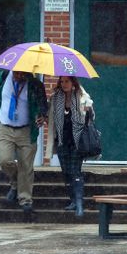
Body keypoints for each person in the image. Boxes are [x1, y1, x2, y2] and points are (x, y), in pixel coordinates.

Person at [0, 70, 48, 213]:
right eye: (17, 73)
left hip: (26, 130)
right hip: (5, 128)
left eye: (23, 74)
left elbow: (42, 104)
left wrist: (41, 115)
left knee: (26, 166)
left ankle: (25, 199)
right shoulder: (2, 77)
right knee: (5, 160)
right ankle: (15, 183)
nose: (19, 76)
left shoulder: (35, 84)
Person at [45, 76, 94, 217]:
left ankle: (79, 204)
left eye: (67, 81)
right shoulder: (55, 98)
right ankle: (73, 201)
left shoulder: (82, 96)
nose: (64, 84)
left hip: (77, 141)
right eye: (62, 81)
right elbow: (50, 117)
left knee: (75, 171)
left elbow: (91, 117)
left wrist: (88, 110)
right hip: (62, 141)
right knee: (66, 172)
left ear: (73, 82)